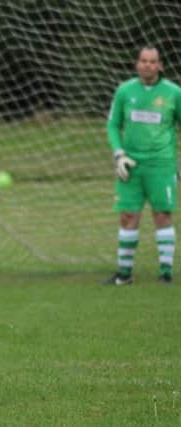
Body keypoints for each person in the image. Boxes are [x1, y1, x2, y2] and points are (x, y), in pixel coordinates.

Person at [104, 45, 181, 285]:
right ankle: (124, 275)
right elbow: (113, 125)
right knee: (128, 216)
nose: (147, 65)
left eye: (152, 61)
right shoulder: (125, 91)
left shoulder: (173, 93)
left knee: (162, 216)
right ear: (137, 63)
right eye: (143, 60)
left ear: (159, 65)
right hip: (130, 166)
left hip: (162, 165)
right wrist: (119, 155)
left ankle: (166, 274)